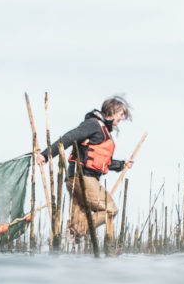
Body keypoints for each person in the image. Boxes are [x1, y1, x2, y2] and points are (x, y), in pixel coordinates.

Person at [34, 95, 135, 239]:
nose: (122, 118)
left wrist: (122, 164)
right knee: (110, 210)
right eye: (120, 114)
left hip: (78, 179)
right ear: (112, 111)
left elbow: (102, 161)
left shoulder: (102, 131)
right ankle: (77, 233)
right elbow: (69, 137)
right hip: (82, 178)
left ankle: (69, 241)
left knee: (75, 229)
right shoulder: (94, 124)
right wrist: (46, 154)